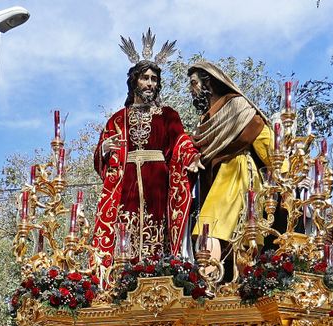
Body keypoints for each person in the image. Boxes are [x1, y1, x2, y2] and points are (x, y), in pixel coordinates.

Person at [92, 31, 199, 268]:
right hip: (127, 182)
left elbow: (180, 140)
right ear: (135, 81)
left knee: (158, 228)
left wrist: (191, 156)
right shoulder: (118, 119)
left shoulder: (168, 115)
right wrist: (104, 150)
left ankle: (158, 271)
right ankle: (125, 274)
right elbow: (102, 155)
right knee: (125, 228)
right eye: (145, 78)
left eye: (154, 79)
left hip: (158, 182)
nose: (150, 83)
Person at [185, 59, 272, 277]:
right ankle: (215, 284)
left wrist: (283, 169)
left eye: (194, 83)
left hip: (239, 174)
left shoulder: (237, 106)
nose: (191, 90)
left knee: (220, 231)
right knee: (213, 232)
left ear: (209, 82)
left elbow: (262, 135)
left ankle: (220, 284)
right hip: (217, 179)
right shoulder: (205, 120)